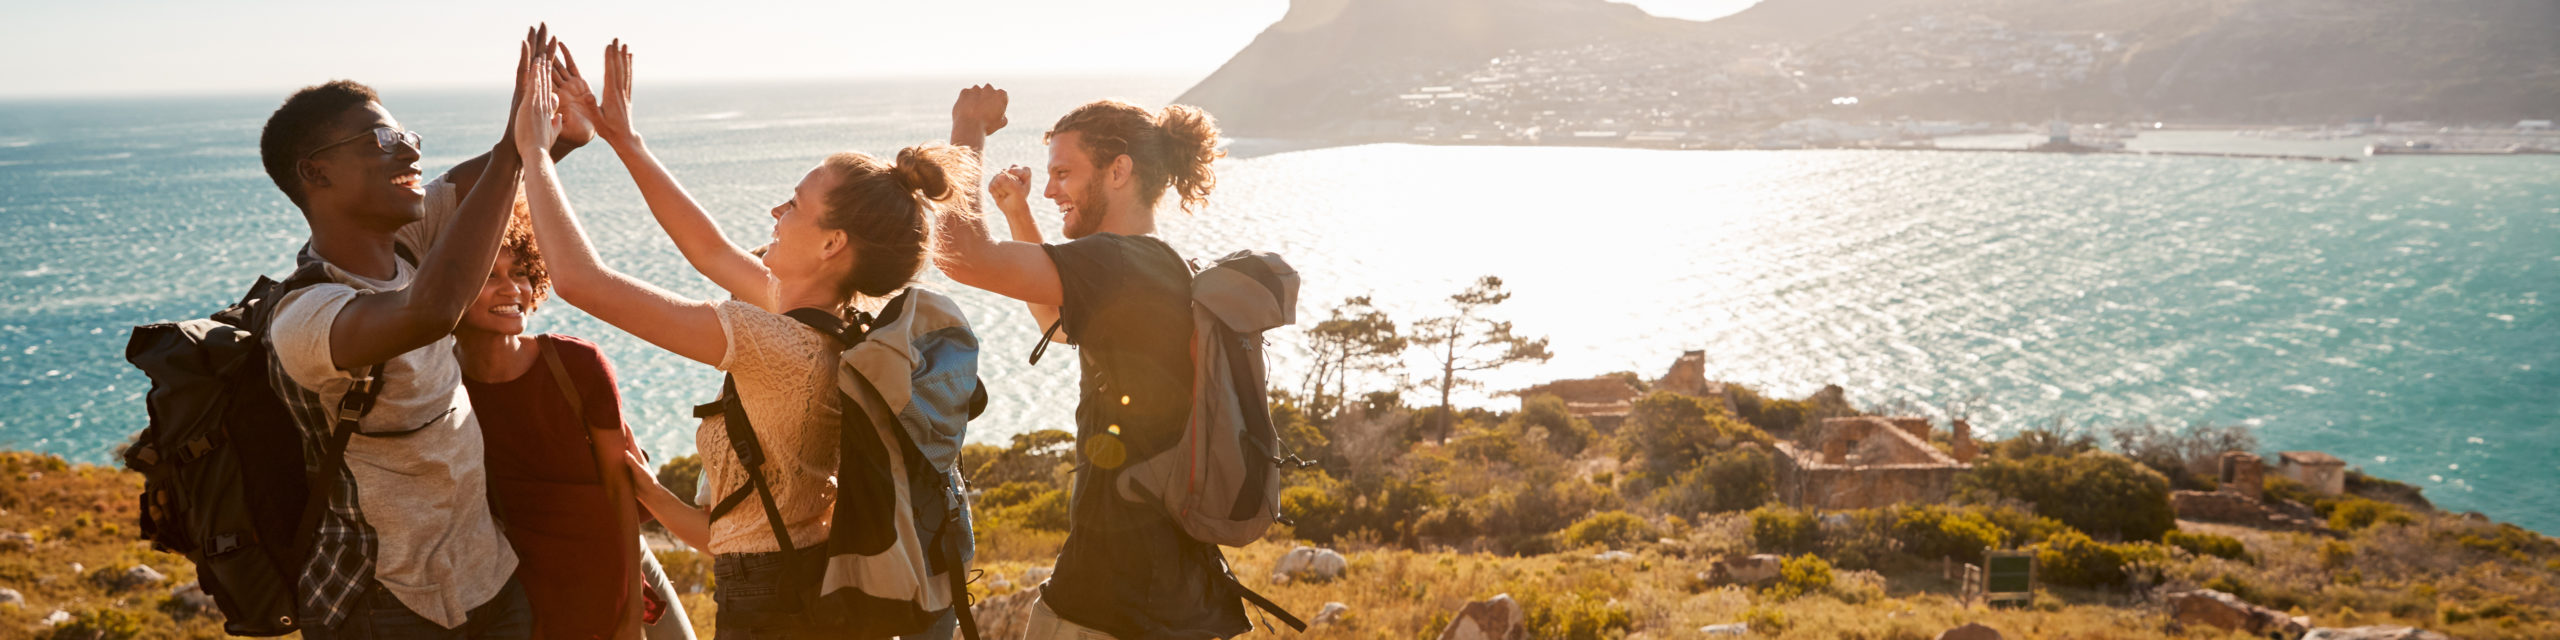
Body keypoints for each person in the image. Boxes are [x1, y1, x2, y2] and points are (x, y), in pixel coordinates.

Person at [513, 40, 977, 640]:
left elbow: (580, 282)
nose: (776, 210)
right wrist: (623, 139)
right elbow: (707, 249)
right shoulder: (833, 329)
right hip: (794, 585)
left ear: (832, 244)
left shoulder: (777, 345)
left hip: (771, 611)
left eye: (796, 204)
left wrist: (534, 155)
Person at [256, 26, 574, 640]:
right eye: (382, 140)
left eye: (409, 137)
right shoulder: (306, 316)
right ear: (315, 173)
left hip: (490, 580)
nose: (409, 152)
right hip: (386, 604)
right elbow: (430, 312)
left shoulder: (409, 245)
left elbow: (497, 177)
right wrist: (515, 149)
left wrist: (553, 123)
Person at [936, 90, 1251, 639]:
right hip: (1168, 590)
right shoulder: (1158, 265)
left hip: (1116, 599)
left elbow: (960, 255)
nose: (1052, 187)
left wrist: (967, 131)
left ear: (1118, 171)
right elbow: (1057, 323)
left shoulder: (1119, 261)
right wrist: (1018, 212)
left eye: (1064, 172)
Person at [452, 201, 698, 640]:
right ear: (450, 287)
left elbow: (619, 489)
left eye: (521, 272)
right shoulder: (442, 382)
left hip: (608, 563)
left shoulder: (577, 363)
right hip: (519, 584)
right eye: (490, 275)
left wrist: (627, 615)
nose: (512, 289)